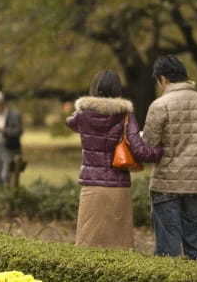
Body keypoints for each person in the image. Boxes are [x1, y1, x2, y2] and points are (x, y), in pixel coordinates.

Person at [66, 70, 163, 250]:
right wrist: (160, 152)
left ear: (94, 88)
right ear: (118, 89)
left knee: (87, 245)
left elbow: (70, 122)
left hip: (91, 185)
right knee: (119, 246)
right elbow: (140, 151)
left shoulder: (82, 115)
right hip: (118, 186)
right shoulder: (125, 115)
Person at [143, 55, 197, 261]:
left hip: (165, 183)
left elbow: (148, 147)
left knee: (168, 250)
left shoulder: (160, 105)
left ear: (163, 79)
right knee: (196, 246)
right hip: (196, 185)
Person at [0, 91, 25, 187]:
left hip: (10, 148)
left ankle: (8, 197)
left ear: (1, 103)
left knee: (6, 176)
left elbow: (18, 132)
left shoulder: (14, 115)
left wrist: (3, 130)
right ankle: (0, 198)